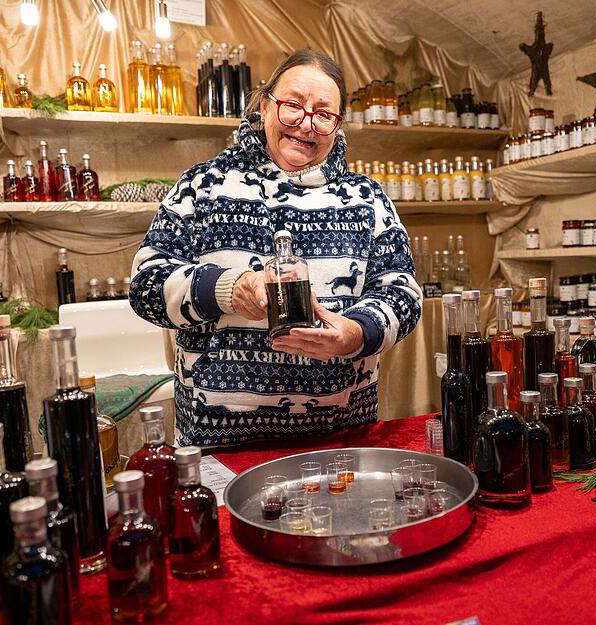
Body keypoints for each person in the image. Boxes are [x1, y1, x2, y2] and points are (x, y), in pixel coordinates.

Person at [129, 49, 422, 446]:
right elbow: (145, 284)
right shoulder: (203, 186)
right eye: (292, 106)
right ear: (265, 106)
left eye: (323, 113)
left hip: (342, 440)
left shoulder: (366, 198)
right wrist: (227, 289)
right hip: (220, 445)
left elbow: (401, 293)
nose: (306, 124)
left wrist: (356, 332)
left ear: (336, 126)